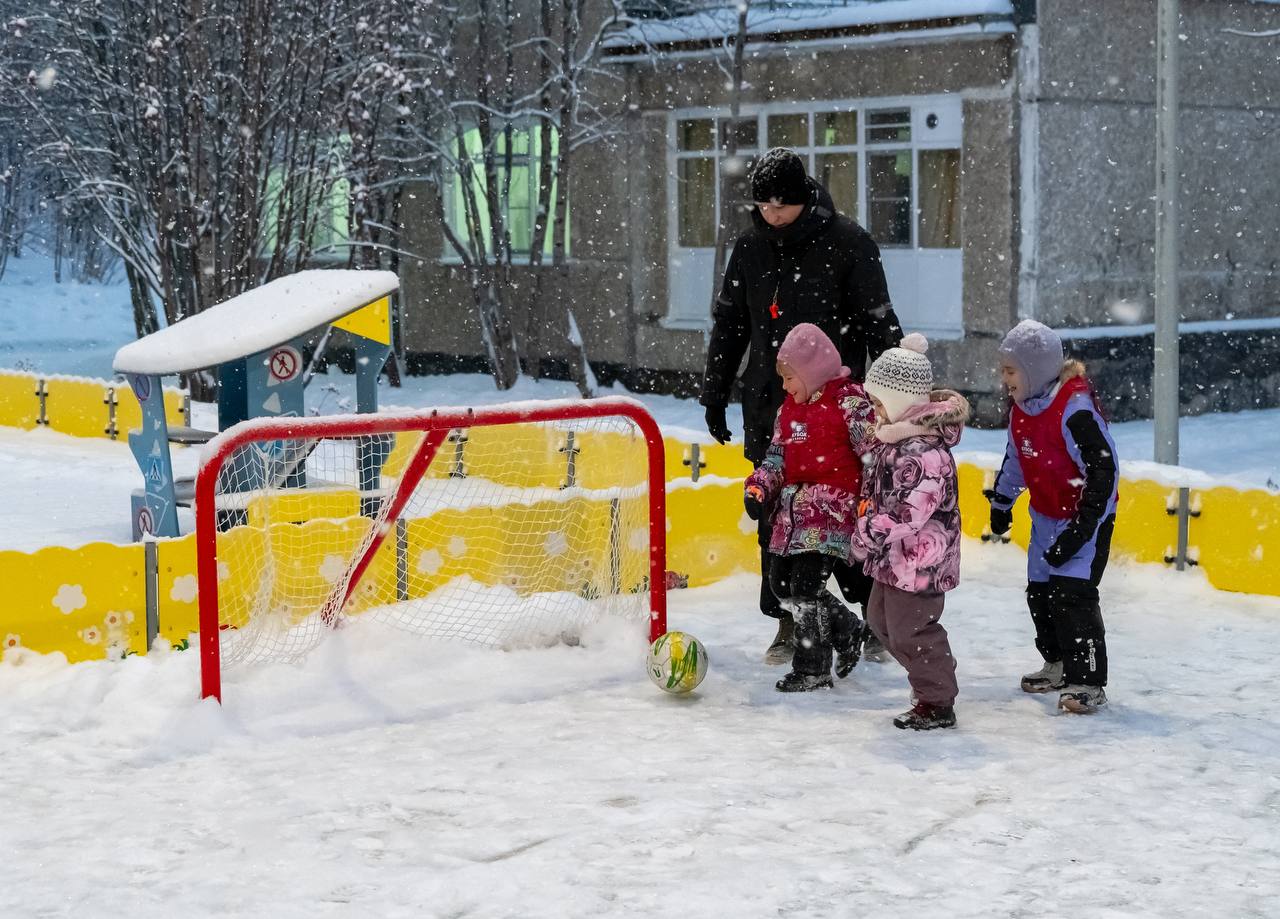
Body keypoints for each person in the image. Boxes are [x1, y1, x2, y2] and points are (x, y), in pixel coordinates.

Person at [700, 147, 903, 664]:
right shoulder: (750, 248)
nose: (771, 214)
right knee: (777, 520)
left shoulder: (849, 243)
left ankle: (871, 617)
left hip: (839, 414)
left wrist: (897, 400)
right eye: (762, 205)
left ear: (804, 199)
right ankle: (790, 621)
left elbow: (880, 323)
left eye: (781, 205)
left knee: (844, 519)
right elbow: (730, 324)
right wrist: (715, 392)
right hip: (772, 408)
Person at [985, 320, 1118, 715]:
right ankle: (1057, 663)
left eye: (1010, 370)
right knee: (1041, 593)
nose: (1004, 378)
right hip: (1045, 515)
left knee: (1072, 596)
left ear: (1034, 370)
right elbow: (1017, 459)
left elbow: (1103, 473)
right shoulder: (1022, 409)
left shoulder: (1075, 410)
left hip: (1086, 519)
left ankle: (1088, 681)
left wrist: (1081, 529)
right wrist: (1002, 502)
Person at [743, 323, 877, 692]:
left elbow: (873, 456)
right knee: (781, 584)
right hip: (793, 513)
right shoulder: (788, 411)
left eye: (790, 378)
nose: (785, 386)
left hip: (833, 511)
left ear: (812, 371)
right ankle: (847, 629)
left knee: (805, 585)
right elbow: (776, 458)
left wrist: (870, 501)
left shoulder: (850, 403)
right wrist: (758, 487)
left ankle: (812, 667)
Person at [853, 334, 967, 730]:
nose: (875, 411)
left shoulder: (925, 452)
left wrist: (867, 531)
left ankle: (937, 700)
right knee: (880, 622)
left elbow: (909, 513)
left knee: (911, 631)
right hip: (893, 558)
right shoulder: (895, 440)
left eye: (879, 402)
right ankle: (932, 670)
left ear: (899, 400)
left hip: (921, 563)